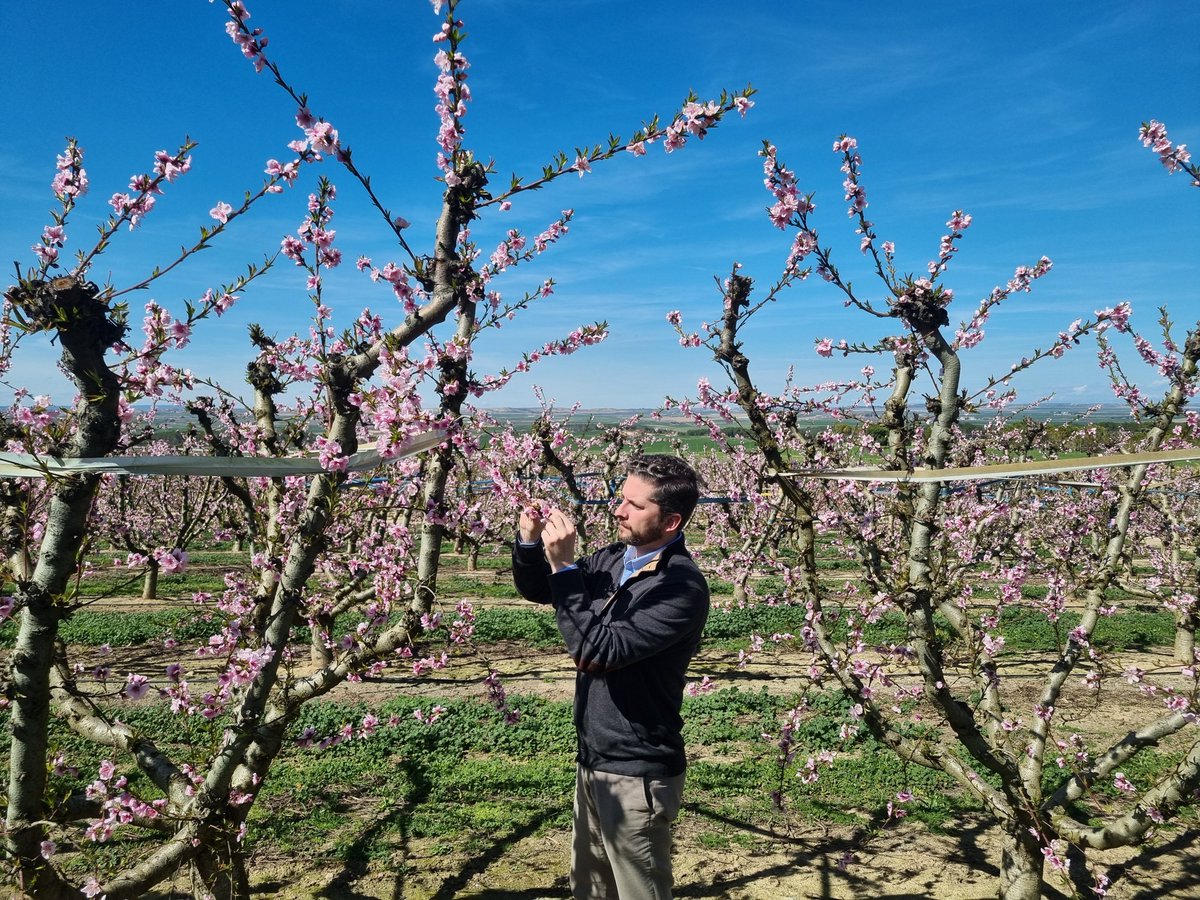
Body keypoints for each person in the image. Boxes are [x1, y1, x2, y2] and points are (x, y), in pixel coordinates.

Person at [512, 454, 710, 899]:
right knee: (591, 888)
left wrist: (564, 567)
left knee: (638, 891)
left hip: (637, 770)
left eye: (635, 506)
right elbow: (541, 589)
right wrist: (530, 546)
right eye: (621, 499)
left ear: (672, 521)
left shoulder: (679, 587)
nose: (618, 511)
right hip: (595, 757)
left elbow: (597, 651)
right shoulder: (614, 559)